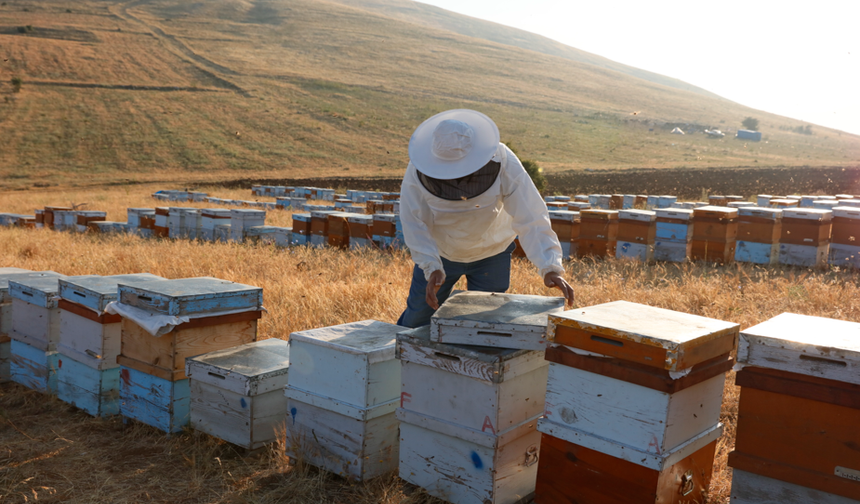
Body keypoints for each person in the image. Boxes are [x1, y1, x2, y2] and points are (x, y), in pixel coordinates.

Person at [397, 109, 575, 328]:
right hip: (442, 253)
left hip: (492, 253)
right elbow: (414, 222)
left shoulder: (502, 158)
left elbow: (530, 213)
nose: (456, 177)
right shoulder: (418, 169)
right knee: (416, 321)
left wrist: (550, 267)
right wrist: (431, 266)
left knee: (484, 326)